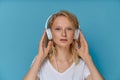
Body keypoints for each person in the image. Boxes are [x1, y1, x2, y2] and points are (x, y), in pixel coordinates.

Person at [23, 10, 104, 80]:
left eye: (69, 29)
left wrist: (88, 58)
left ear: (75, 34)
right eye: (58, 29)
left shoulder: (82, 64)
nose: (63, 34)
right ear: (50, 33)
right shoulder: (40, 63)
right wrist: (39, 57)